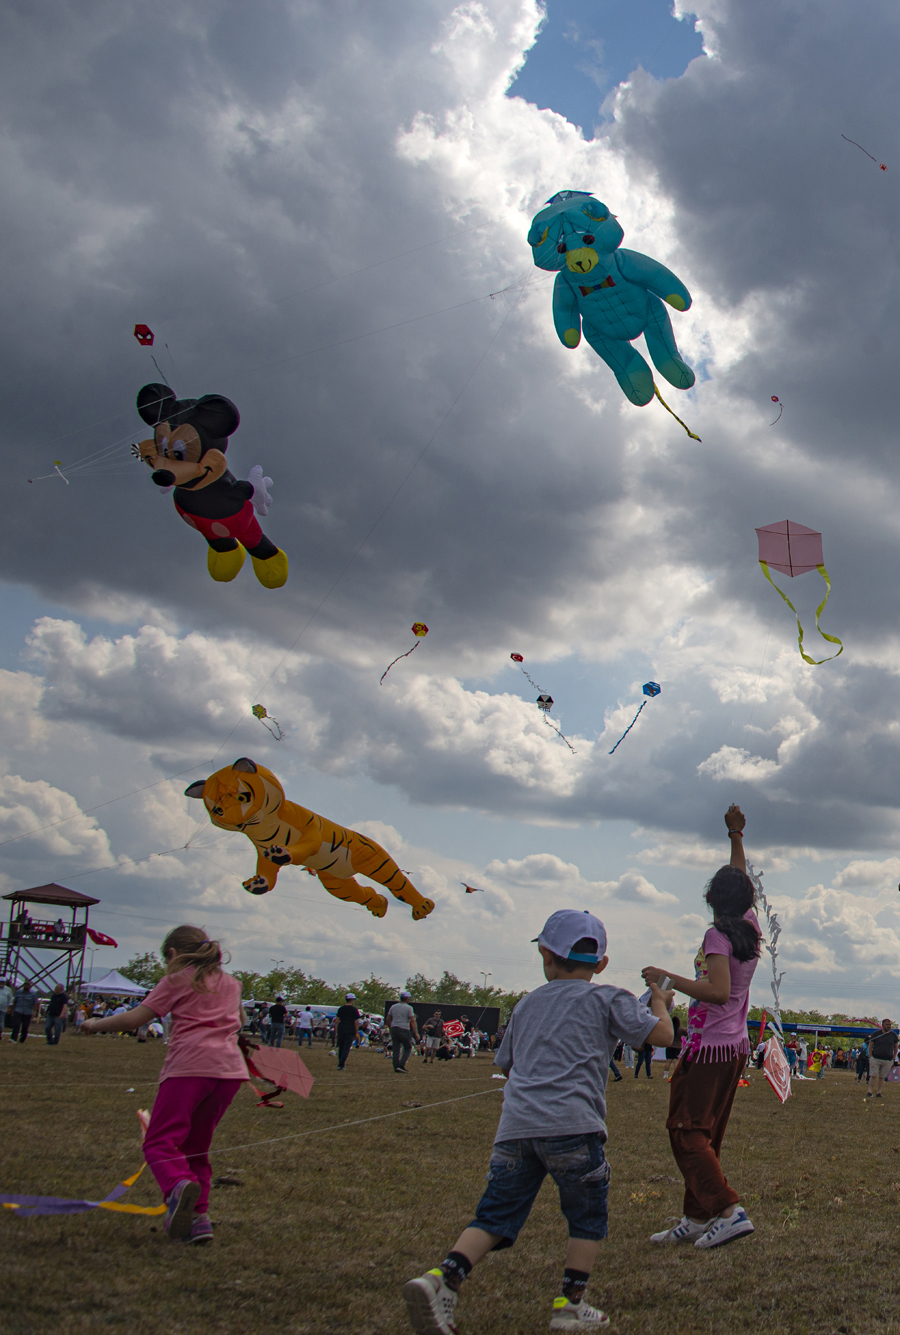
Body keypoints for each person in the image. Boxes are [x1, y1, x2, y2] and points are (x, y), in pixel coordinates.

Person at [402, 909, 673, 1333]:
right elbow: (662, 1037)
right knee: (587, 1217)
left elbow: (508, 1065)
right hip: (573, 1128)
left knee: (494, 1215)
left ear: (545, 955)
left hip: (516, 1129)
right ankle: (570, 1304)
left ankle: (444, 1278)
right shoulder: (609, 997)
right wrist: (660, 1001)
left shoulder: (527, 1003)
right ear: (601, 963)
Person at [81, 925, 247, 1245]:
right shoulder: (231, 983)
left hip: (189, 1069)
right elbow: (239, 1021)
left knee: (159, 1142)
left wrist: (94, 1024)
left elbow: (134, 1020)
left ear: (173, 955)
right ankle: (198, 1220)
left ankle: (177, 1186)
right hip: (228, 1074)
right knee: (196, 1147)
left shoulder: (175, 980)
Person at [642, 804, 759, 1250]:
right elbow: (739, 879)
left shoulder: (718, 936)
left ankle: (729, 1210)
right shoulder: (748, 927)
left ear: (712, 900)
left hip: (710, 1048)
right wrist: (736, 836)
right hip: (734, 1048)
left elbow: (717, 992)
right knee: (707, 1133)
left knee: (685, 1129)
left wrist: (665, 979)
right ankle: (696, 1217)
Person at [387, 990, 419, 1074]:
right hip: (404, 1029)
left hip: (394, 1028)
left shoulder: (393, 1006)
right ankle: (401, 1064)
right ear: (407, 998)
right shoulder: (409, 1008)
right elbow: (412, 1020)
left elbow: (387, 1019)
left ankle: (396, 1066)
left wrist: (391, 1028)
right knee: (408, 1047)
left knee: (396, 1049)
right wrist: (416, 1033)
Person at [867, 1019, 899, 1099]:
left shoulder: (893, 1035)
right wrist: (871, 1057)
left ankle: (879, 1092)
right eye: (887, 1025)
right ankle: (870, 1091)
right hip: (876, 1058)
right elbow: (870, 1045)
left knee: (882, 1077)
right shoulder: (876, 1034)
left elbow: (896, 1047)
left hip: (888, 1060)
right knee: (873, 1075)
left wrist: (893, 1058)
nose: (889, 1026)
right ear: (882, 1025)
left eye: (890, 1025)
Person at [335, 993, 360, 1071]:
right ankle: (341, 1064)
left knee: (341, 1047)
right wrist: (356, 1032)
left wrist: (336, 1031)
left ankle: (340, 1063)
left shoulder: (341, 1008)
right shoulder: (354, 1009)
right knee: (346, 1047)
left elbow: (337, 1020)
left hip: (341, 1028)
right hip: (350, 1028)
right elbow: (356, 1022)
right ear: (352, 1000)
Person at [0, 977, 13, 1041]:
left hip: (3, 1009)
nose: (1, 983)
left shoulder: (8, 990)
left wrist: (9, 1007)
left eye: (3, 982)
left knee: (1, 1023)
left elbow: (10, 999)